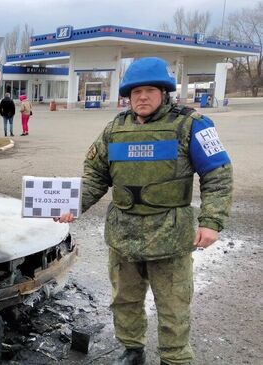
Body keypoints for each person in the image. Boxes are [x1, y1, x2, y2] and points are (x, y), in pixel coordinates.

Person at [55, 57, 233, 365]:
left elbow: (218, 173)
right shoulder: (114, 129)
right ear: (128, 95)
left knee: (173, 305)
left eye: (150, 90)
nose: (142, 97)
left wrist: (211, 221)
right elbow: (95, 176)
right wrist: (71, 206)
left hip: (170, 237)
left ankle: (174, 358)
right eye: (136, 91)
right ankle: (132, 350)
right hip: (124, 238)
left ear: (164, 92)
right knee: (125, 300)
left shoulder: (191, 124)